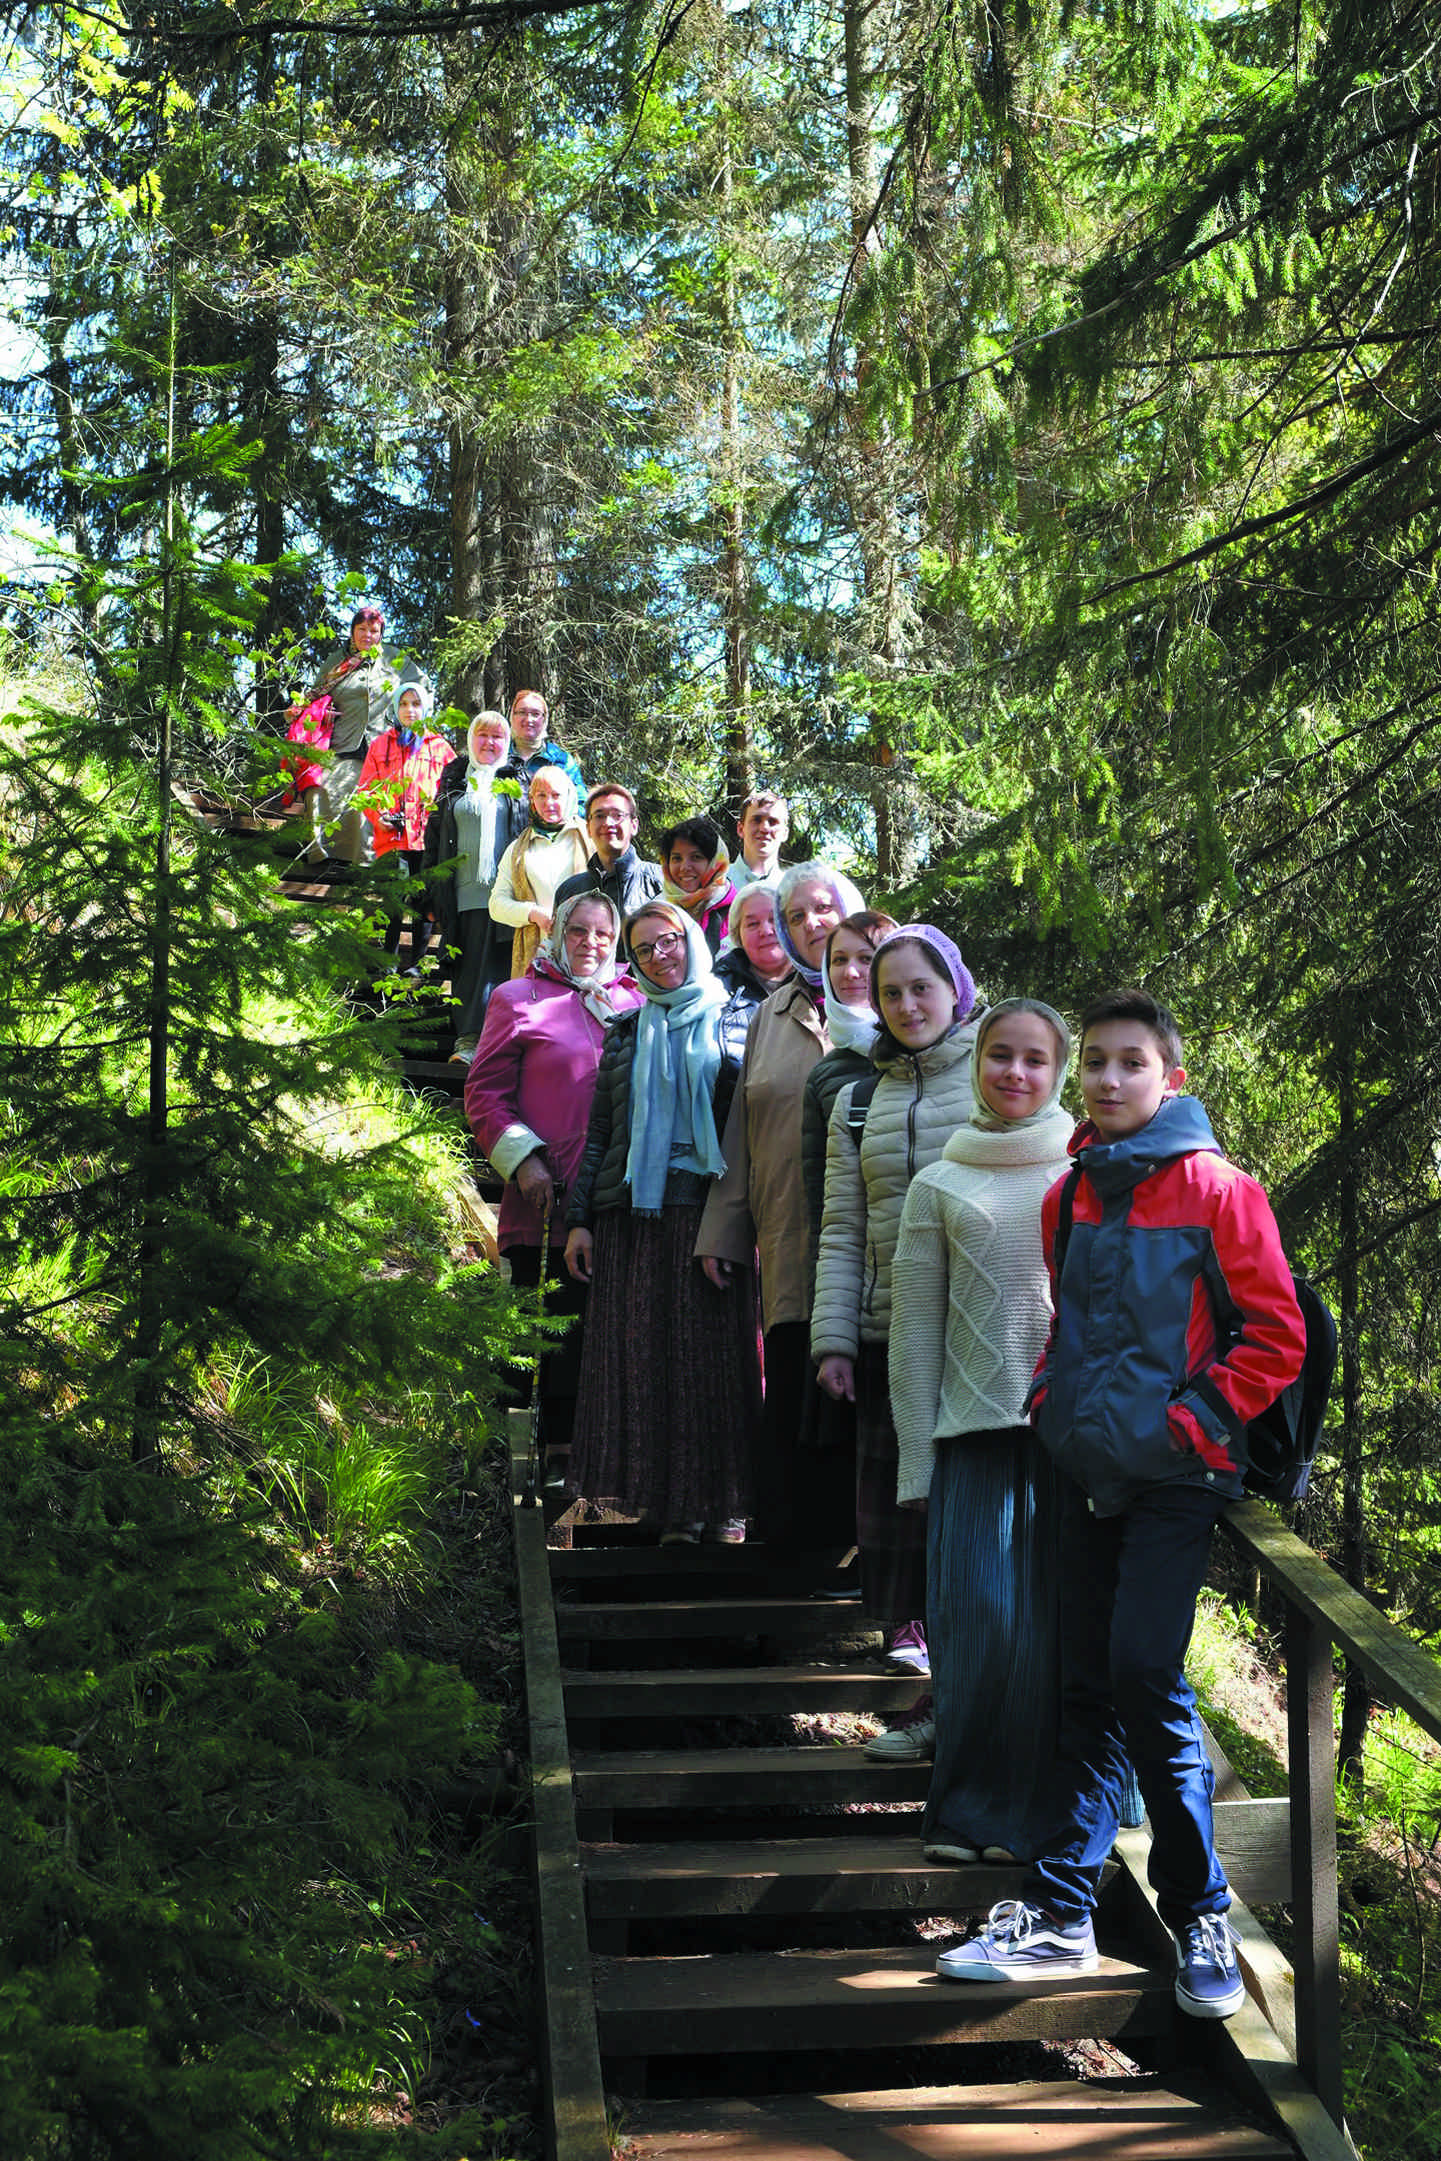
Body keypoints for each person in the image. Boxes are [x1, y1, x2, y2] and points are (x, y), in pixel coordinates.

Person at [935, 988, 1305, 2023]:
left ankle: (1199, 1913)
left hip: (1178, 1481)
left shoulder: (1217, 1188)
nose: (1104, 1079)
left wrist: (1186, 1429)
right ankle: (1059, 1913)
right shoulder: (1071, 1193)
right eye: (1092, 1061)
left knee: (1146, 1676)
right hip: (1084, 1474)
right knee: (1088, 1686)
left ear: (1169, 1077)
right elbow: (1068, 1325)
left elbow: (1275, 1336)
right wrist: (1052, 1402)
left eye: (1127, 1062)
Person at [886, 1000, 1077, 1815]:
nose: (1015, 1073)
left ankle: (1059, 1815)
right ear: (977, 1061)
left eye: (1035, 1059)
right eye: (1001, 1054)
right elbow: (915, 1331)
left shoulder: (1087, 1170)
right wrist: (915, 1462)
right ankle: (969, 1810)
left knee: (1056, 1634)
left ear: (1059, 1070)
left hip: (1071, 1443)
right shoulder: (939, 1180)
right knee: (973, 1628)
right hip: (969, 1439)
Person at [812, 926, 985, 1680]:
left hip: (980, 1331)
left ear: (955, 987)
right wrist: (833, 1340)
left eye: (922, 986)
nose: (908, 1004)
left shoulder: (998, 1073)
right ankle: (907, 1632)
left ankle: (976, 1641)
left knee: (972, 1495)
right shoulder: (856, 1101)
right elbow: (841, 1227)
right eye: (891, 992)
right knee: (895, 1488)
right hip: (888, 1330)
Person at [563, 903, 761, 1541]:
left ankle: (722, 1505)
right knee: (641, 1364)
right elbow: (600, 1136)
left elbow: (752, 1131)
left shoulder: (741, 1021)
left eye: (668, 942)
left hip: (711, 1216)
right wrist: (580, 1220)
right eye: (643, 950)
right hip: (634, 1218)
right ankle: (658, 1509)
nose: (658, 957)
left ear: (692, 940)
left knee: (713, 1364)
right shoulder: (625, 1031)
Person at [696, 861, 865, 1563]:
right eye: (794, 915)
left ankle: (872, 1566)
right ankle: (793, 1549)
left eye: (823, 908)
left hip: (882, 1247)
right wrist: (723, 1229)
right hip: (791, 1234)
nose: (810, 923)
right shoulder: (770, 1013)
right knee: (796, 1381)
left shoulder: (900, 998)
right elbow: (743, 1126)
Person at [465, 893, 644, 1482]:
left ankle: (608, 1452)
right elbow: (485, 1094)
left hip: (616, 1201)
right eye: (579, 931)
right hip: (543, 1196)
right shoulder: (518, 998)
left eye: (602, 933)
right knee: (544, 1327)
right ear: (558, 933)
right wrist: (524, 1161)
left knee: (608, 1330)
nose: (591, 943)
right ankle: (538, 1454)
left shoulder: (635, 1003)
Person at [426, 710, 530, 1059]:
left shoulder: (517, 781)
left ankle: (496, 1041)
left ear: (506, 742)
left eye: (497, 737)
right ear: (471, 739)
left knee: (500, 967)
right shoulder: (454, 779)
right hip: (463, 892)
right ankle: (467, 1040)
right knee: (468, 967)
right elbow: (435, 836)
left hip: (506, 893)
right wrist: (430, 888)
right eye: (482, 735)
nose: (489, 743)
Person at [799, 912, 900, 1265]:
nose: (850, 972)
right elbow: (822, 1208)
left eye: (867, 959)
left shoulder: (936, 1052)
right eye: (838, 960)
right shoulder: (825, 1075)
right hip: (862, 1267)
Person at [290, 602, 405, 867]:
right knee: (322, 793)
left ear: (381, 634)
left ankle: (364, 867)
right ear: (352, 631)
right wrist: (325, 708)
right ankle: (325, 859)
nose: (367, 635)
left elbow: (416, 694)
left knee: (366, 806)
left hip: (380, 747)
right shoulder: (336, 662)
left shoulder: (393, 663)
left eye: (374, 630)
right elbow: (314, 698)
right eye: (362, 628)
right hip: (340, 743)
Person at [356, 680, 456, 967]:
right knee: (393, 903)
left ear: (425, 707)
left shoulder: (439, 747)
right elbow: (365, 790)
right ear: (395, 708)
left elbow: (452, 794)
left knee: (423, 904)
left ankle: (417, 965)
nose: (410, 710)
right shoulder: (381, 745)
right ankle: (388, 962)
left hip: (426, 840)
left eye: (415, 703)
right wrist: (380, 816)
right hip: (392, 839)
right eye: (403, 704)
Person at [488, 766, 592, 980]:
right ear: (532, 800)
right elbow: (496, 905)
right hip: (536, 954)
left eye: (556, 795)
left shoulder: (590, 839)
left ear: (570, 796)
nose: (549, 803)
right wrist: (532, 913)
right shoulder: (517, 849)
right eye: (541, 795)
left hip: (585, 950)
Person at [553, 784, 664, 919]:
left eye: (618, 815)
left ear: (634, 825)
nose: (608, 822)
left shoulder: (660, 883)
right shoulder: (569, 892)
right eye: (600, 816)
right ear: (588, 828)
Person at [714, 880, 792, 1016]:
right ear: (738, 935)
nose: (766, 931)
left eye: (774, 919)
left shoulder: (818, 981)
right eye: (753, 924)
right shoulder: (718, 989)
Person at [660, 816, 736, 956]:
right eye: (677, 858)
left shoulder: (738, 911)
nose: (685, 867)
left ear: (715, 863)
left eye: (696, 857)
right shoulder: (657, 910)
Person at [505, 687, 585, 797]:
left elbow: (581, 802)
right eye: (522, 712)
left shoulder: (561, 760)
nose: (528, 719)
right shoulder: (499, 756)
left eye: (535, 714)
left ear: (545, 719)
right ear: (512, 717)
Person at [730, 791, 788, 890]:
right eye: (756, 820)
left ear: (784, 833)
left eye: (773, 822)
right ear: (740, 829)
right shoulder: (716, 884)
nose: (764, 828)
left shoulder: (794, 890)